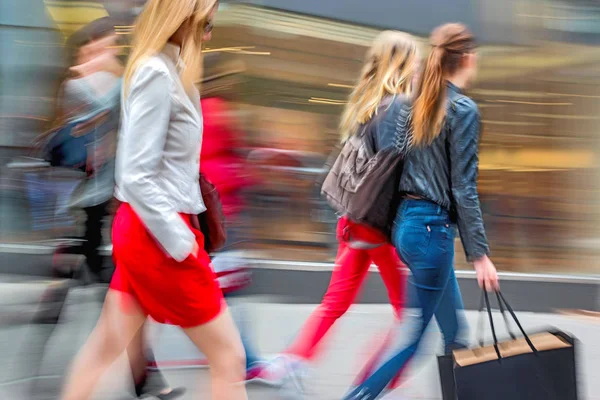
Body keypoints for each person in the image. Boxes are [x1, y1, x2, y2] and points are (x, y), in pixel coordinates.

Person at [59, 1, 248, 399]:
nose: (210, 33)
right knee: (229, 357)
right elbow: (135, 174)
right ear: (182, 18)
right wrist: (181, 243)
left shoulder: (171, 72)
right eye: (206, 22)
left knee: (105, 346)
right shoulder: (156, 72)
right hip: (159, 234)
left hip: (149, 229)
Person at [343, 23, 500, 400]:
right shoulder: (463, 109)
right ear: (466, 59)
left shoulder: (406, 103)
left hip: (407, 229)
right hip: (431, 232)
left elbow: (390, 162)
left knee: (455, 334)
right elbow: (463, 187)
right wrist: (480, 255)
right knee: (413, 339)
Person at [257, 30, 419, 387]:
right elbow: (395, 169)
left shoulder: (367, 104)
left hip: (353, 221)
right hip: (379, 227)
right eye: (416, 61)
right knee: (409, 310)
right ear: (404, 64)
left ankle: (293, 362)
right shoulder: (398, 107)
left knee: (335, 302)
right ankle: (377, 380)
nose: (420, 67)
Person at [45, 18, 185, 400]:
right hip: (88, 210)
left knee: (121, 299)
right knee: (118, 301)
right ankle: (135, 381)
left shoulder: (118, 82)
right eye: (105, 46)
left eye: (113, 47)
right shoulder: (79, 86)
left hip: (110, 207)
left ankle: (144, 381)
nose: (111, 53)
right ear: (90, 48)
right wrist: (113, 78)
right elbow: (94, 122)